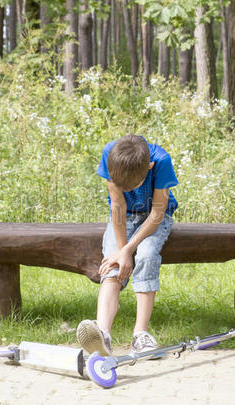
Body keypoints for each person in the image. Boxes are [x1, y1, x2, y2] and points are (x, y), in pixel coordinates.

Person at [77, 134, 178, 355]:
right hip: (123, 215)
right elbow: (118, 204)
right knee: (112, 265)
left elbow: (158, 212)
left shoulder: (161, 161)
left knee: (147, 255)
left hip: (154, 218)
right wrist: (121, 253)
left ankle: (140, 335)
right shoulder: (110, 155)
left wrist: (128, 250)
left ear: (149, 167)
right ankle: (102, 334)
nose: (127, 189)